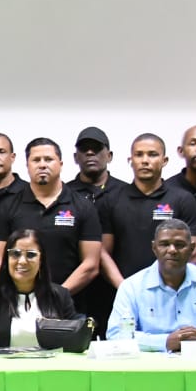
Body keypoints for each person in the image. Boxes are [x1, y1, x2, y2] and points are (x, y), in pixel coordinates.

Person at [0, 138, 101, 305]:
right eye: (36, 160)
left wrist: (58, 296)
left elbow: (91, 264)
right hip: (18, 304)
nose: (42, 165)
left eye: (48, 159)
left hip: (69, 304)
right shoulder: (6, 207)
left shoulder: (83, 206)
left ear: (61, 164)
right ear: (27, 165)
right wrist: (25, 296)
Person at [108, 219, 196, 352]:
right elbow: (116, 335)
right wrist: (165, 342)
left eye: (179, 244)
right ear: (154, 248)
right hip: (152, 368)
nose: (172, 250)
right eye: (164, 244)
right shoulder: (131, 287)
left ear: (192, 248)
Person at [100, 134, 196, 288]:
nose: (145, 160)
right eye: (139, 154)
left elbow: (193, 253)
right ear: (130, 161)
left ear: (164, 160)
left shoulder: (183, 199)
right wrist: (125, 288)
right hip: (123, 293)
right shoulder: (111, 200)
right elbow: (103, 253)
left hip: (171, 293)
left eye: (152, 154)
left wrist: (166, 288)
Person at [0, 229, 77, 350]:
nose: (22, 261)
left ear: (41, 260)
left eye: (31, 254)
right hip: (2, 368)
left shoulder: (60, 296)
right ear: (7, 258)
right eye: (15, 254)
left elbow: (74, 345)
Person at [68, 126, 128, 328]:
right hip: (76, 289)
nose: (91, 153)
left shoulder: (125, 193)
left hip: (114, 289)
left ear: (109, 156)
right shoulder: (65, 194)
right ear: (76, 157)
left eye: (97, 149)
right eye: (85, 150)